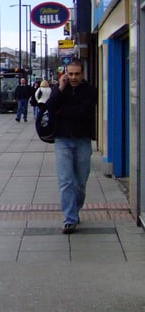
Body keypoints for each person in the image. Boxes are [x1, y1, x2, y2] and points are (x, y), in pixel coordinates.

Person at [46, 59, 96, 234]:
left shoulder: (90, 90)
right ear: (65, 73)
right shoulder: (60, 90)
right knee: (65, 181)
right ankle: (69, 219)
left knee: (80, 182)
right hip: (62, 140)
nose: (73, 77)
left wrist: (63, 112)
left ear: (82, 74)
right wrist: (59, 89)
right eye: (70, 73)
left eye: (77, 74)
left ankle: (75, 208)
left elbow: (85, 111)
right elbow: (50, 108)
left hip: (82, 140)